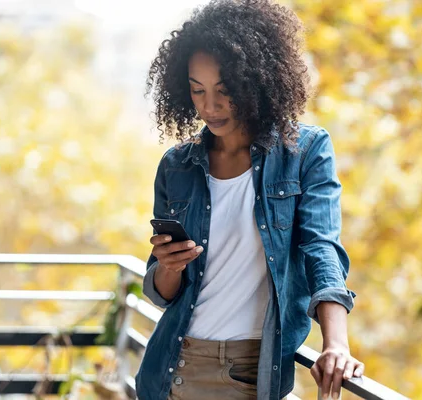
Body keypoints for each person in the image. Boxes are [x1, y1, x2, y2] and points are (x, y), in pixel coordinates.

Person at [135, 1, 364, 399]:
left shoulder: (305, 152)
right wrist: (169, 268)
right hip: (171, 368)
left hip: (247, 376)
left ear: (254, 82)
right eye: (197, 90)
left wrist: (336, 344)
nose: (209, 106)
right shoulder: (177, 166)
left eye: (224, 91)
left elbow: (321, 249)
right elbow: (161, 292)